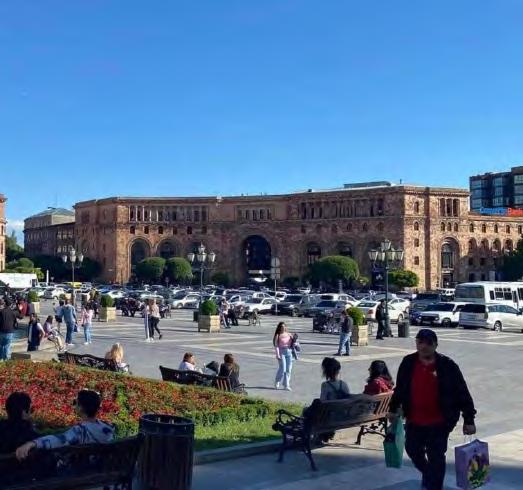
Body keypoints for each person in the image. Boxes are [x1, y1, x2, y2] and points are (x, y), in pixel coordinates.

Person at [389, 329, 477, 490]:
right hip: (414, 419)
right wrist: (393, 408)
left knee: (436, 456)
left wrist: (469, 419)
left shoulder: (447, 365)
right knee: (412, 450)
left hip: (439, 421)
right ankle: (429, 475)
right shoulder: (408, 362)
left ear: (436, 345)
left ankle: (434, 485)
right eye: (420, 342)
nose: (424, 346)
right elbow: (400, 388)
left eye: (428, 343)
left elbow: (462, 392)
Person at [16, 389, 115, 460]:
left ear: (81, 408)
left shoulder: (79, 431)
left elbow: (60, 440)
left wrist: (32, 443)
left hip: (83, 474)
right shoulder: (108, 428)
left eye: (76, 403)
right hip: (103, 472)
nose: (74, 405)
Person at [273, 322, 293, 391]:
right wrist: (277, 354)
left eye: (284, 326)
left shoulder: (289, 334)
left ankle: (286, 385)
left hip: (289, 352)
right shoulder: (278, 335)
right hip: (282, 353)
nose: (283, 328)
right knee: (282, 369)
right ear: (279, 327)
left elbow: (293, 343)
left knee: (288, 370)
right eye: (281, 326)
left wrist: (294, 340)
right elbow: (276, 346)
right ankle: (277, 381)